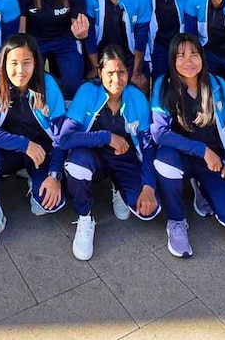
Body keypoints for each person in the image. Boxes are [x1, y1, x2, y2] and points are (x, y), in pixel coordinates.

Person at [151, 33, 225, 258]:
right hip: (181, 156)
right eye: (181, 55)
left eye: (194, 54)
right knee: (164, 162)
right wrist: (201, 150)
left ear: (203, 58)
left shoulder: (218, 86)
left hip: (214, 161)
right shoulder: (163, 85)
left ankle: (202, 187)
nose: (188, 61)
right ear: (172, 60)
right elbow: (159, 133)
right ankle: (176, 221)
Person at [60, 46, 160, 261]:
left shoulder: (137, 98)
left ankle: (119, 185)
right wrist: (106, 137)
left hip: (124, 157)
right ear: (99, 72)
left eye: (122, 72)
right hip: (91, 155)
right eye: (110, 73)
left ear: (128, 72)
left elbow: (147, 146)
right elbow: (65, 138)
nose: (117, 79)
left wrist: (149, 186)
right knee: (75, 166)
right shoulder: (88, 91)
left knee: (147, 210)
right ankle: (85, 217)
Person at [0, 34, 66, 254]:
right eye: (13, 63)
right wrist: (24, 144)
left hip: (42, 153)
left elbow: (62, 135)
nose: (20, 70)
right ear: (4, 63)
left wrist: (54, 176)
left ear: (36, 63)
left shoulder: (48, 84)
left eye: (27, 62)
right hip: (10, 151)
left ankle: (35, 179)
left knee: (48, 205)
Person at [20, 0, 89, 100]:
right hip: (34, 40)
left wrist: (81, 33)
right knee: (31, 85)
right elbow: (21, 33)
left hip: (65, 39)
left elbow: (78, 29)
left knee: (73, 85)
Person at [85, 0, 151, 91]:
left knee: (140, 86)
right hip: (101, 56)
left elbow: (141, 36)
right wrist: (95, 67)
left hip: (131, 56)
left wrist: (136, 72)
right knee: (91, 87)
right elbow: (89, 35)